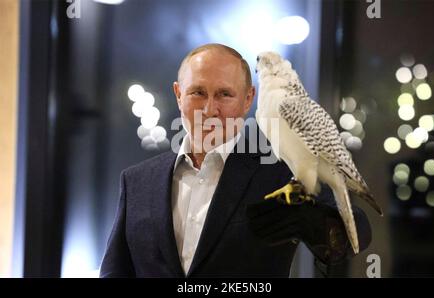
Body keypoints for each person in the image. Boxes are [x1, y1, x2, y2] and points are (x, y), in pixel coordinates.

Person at [99, 43, 372, 278]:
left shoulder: (279, 173)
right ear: (179, 95)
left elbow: (354, 234)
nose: (209, 110)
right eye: (198, 93)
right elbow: (114, 271)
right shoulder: (137, 180)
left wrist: (316, 223)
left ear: (248, 99)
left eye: (224, 94)